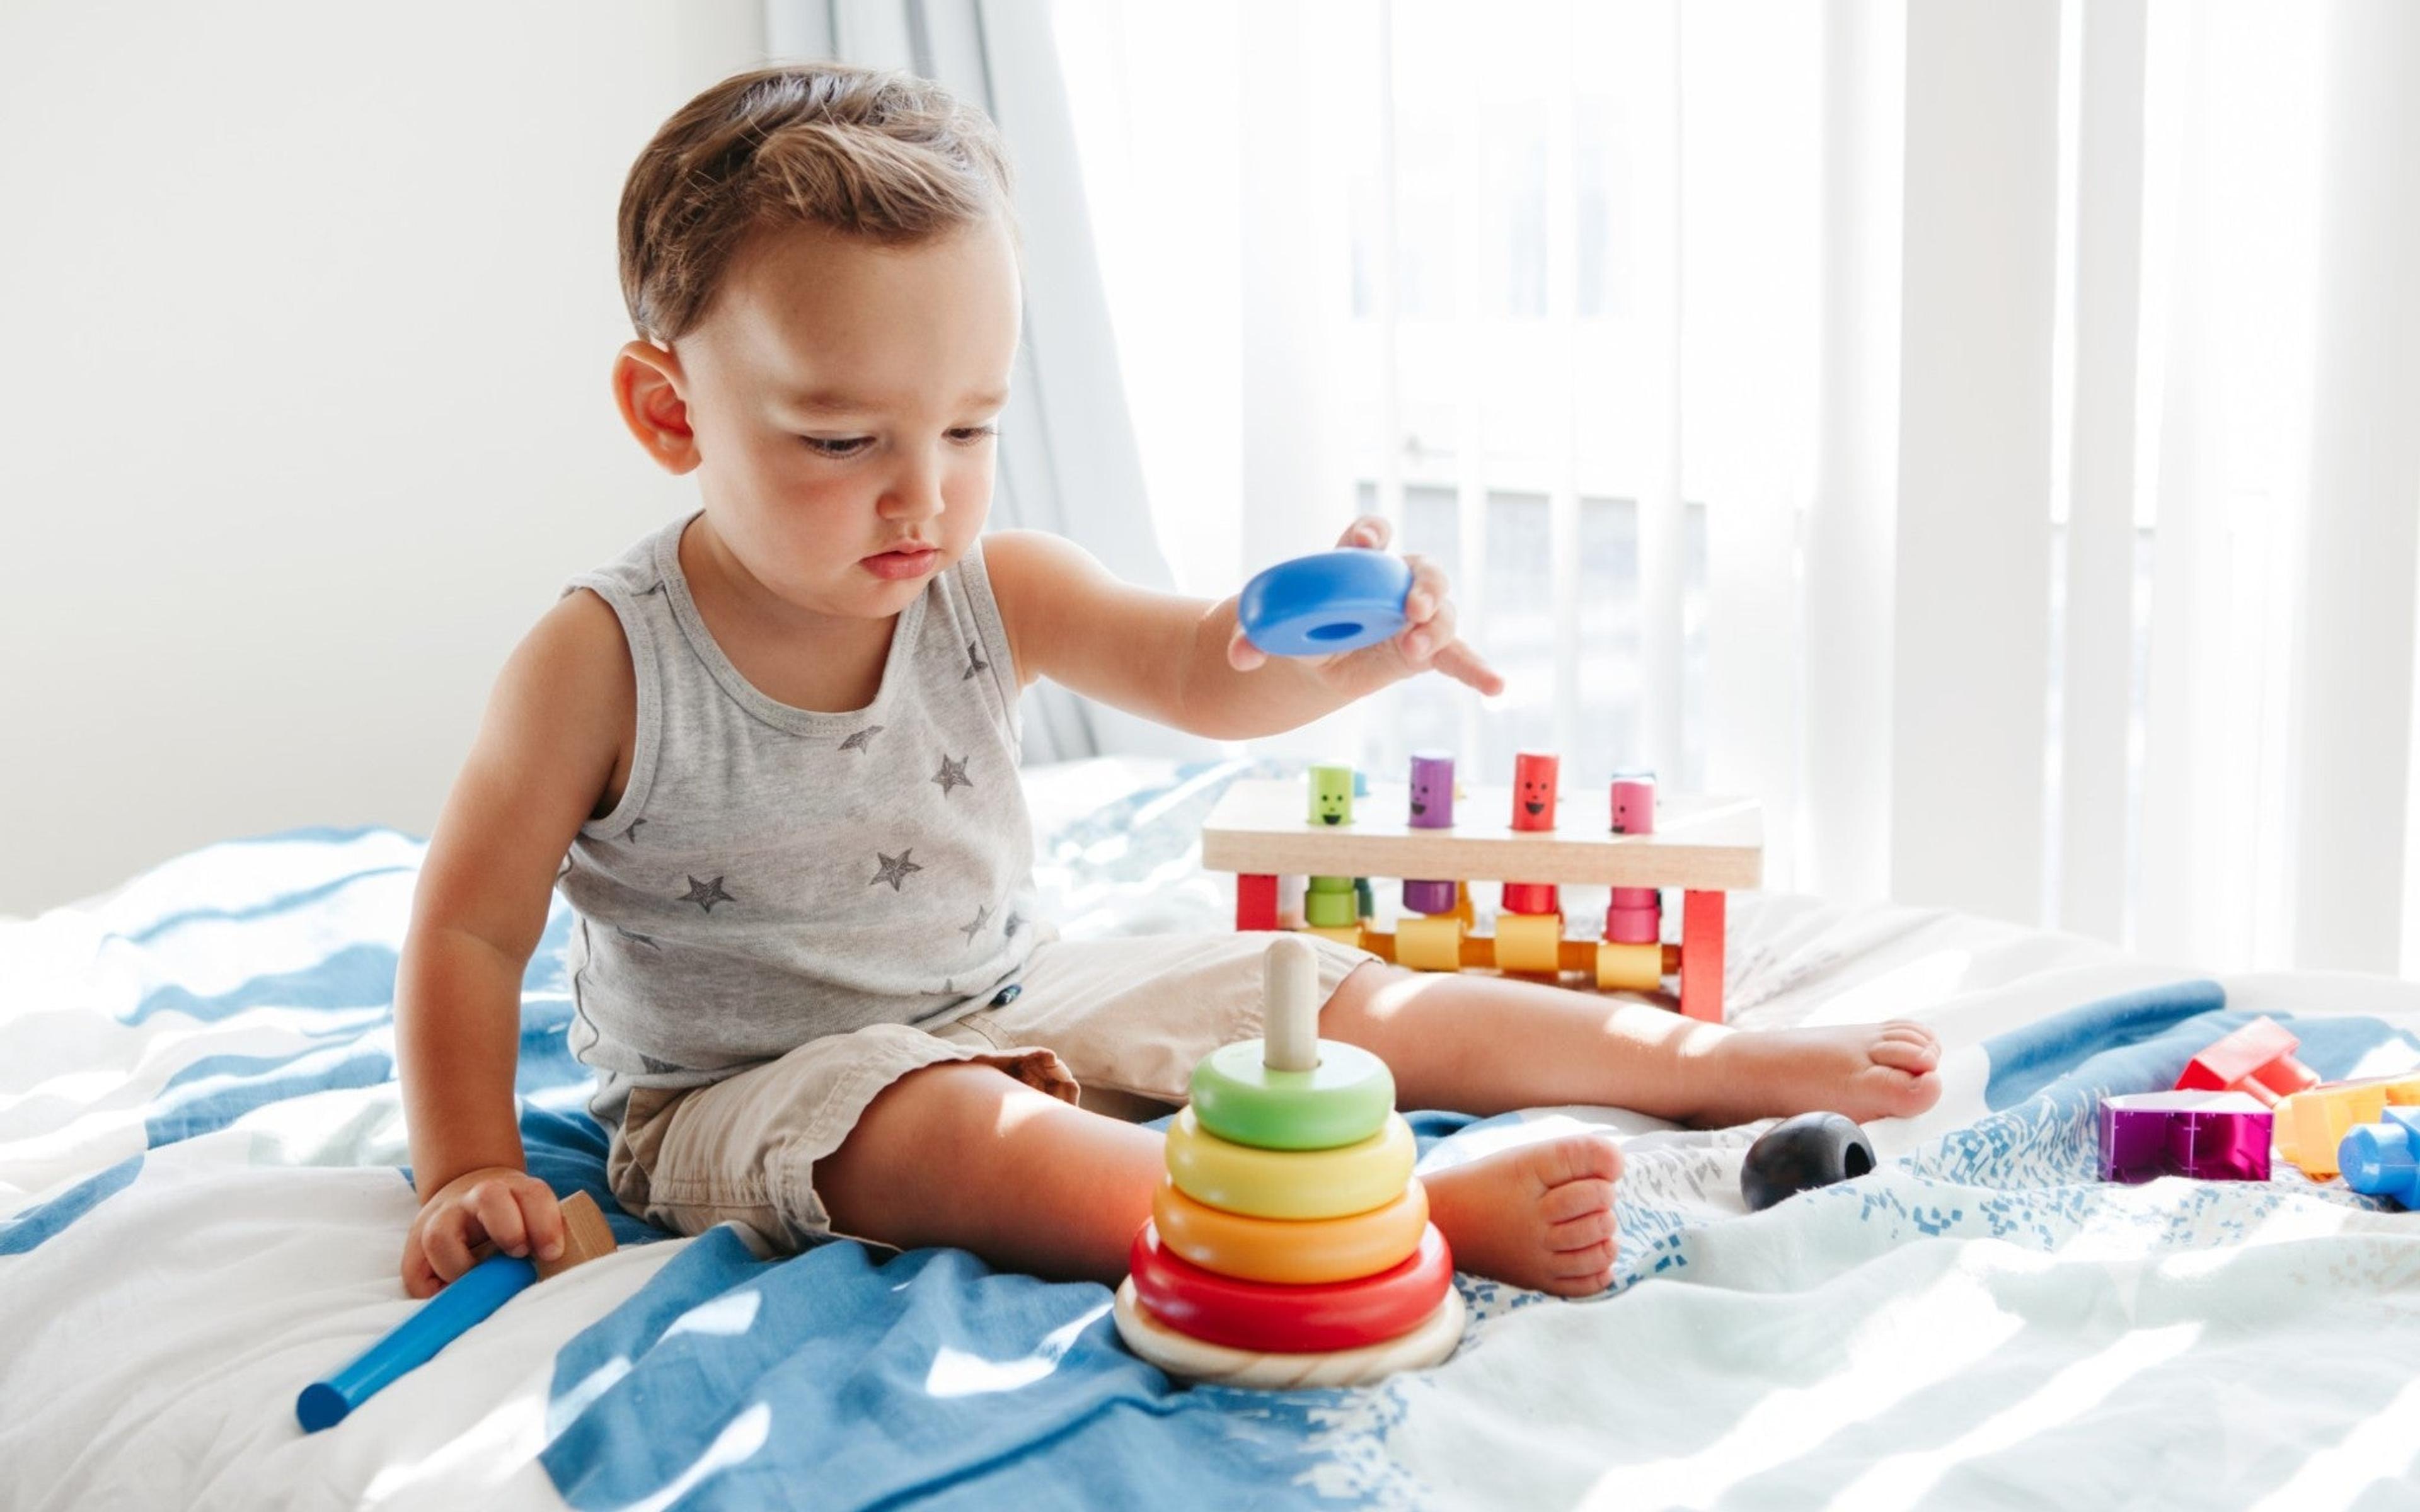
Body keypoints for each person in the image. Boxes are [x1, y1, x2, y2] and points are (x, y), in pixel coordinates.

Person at [395, 62, 1941, 1307]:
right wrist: (470, 1166)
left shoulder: (991, 588)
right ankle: (1377, 1222)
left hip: (1003, 992)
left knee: (1323, 991)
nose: (920, 499)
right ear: (669, 412)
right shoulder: (603, 659)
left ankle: (1706, 1065)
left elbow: (1207, 673)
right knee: (962, 1133)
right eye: (842, 440)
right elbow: (468, 925)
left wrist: (1351, 656)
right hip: (758, 1091)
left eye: (971, 428)